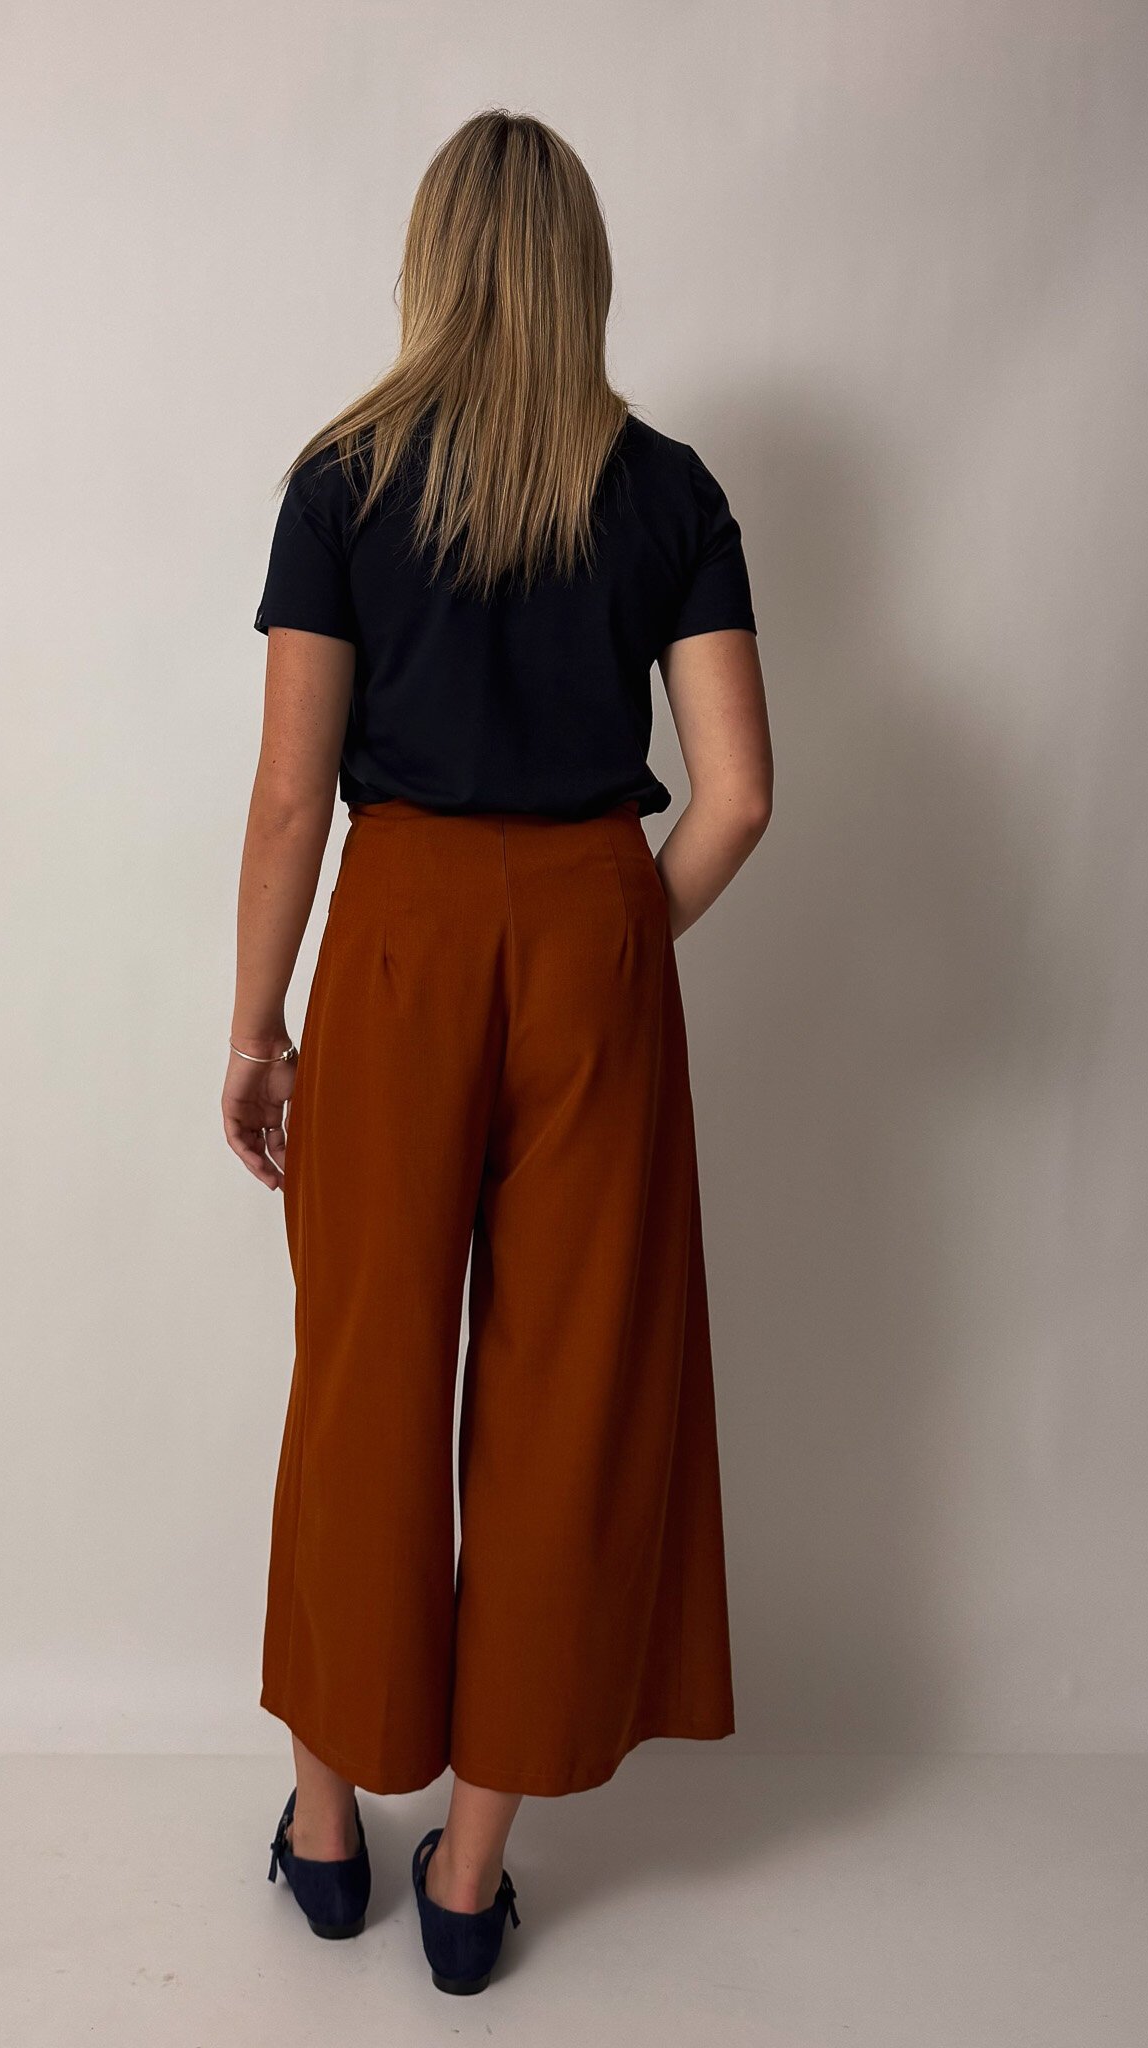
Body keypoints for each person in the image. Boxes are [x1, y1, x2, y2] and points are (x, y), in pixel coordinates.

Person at [226, 107, 772, 1997]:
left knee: (361, 1371)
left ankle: (325, 1835)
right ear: (579, 270)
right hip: (588, 930)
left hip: (395, 938)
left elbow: (291, 797)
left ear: (431, 259)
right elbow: (737, 795)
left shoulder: (342, 479)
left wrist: (258, 1022)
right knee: (564, 1398)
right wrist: (610, 946)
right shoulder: (666, 489)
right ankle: (466, 1882)